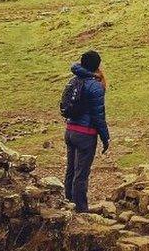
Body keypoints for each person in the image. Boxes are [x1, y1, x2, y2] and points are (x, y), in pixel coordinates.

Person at [63, 50, 109, 212]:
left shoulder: (73, 80)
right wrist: (105, 138)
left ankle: (67, 203)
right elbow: (98, 116)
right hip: (85, 134)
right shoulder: (95, 86)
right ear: (97, 65)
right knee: (81, 175)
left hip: (70, 130)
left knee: (70, 170)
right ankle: (81, 210)